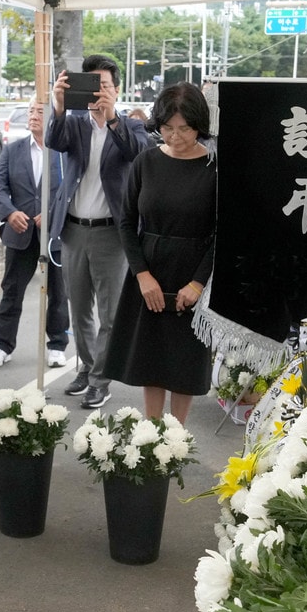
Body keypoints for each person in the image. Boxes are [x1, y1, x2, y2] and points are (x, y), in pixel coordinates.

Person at [102, 83, 216, 424]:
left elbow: (222, 233)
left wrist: (198, 283)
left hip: (194, 268)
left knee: (184, 361)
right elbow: (125, 222)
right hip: (149, 267)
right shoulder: (145, 161)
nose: (176, 137)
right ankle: (151, 433)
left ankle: (177, 437)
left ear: (199, 125)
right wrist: (142, 275)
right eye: (167, 128)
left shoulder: (214, 167)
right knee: (150, 359)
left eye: (185, 129)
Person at [46, 54, 148, 410]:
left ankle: (101, 380)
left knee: (110, 313)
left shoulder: (131, 127)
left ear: (116, 90)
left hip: (111, 234)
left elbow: (136, 151)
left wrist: (112, 119)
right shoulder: (74, 125)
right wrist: (59, 105)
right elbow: (53, 140)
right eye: (90, 86)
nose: (97, 93)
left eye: (103, 85)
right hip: (74, 230)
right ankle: (87, 367)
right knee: (79, 310)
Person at [0, 98, 69, 370]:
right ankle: (2, 345)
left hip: (54, 235)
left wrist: (54, 214)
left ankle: (57, 346)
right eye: (31, 111)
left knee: (58, 293)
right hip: (19, 233)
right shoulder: (13, 150)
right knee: (11, 291)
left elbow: (71, 191)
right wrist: (10, 213)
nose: (33, 115)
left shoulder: (63, 153)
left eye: (40, 111)